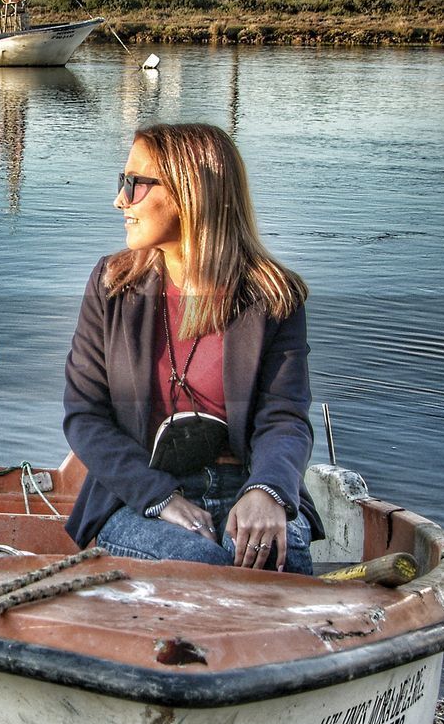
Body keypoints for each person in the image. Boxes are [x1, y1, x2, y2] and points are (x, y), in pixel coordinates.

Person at [62, 123, 323, 574]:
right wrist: (159, 497)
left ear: (189, 193)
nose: (120, 200)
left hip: (248, 485)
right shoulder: (112, 285)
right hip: (138, 493)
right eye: (121, 183)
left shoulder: (274, 297)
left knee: (278, 563)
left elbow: (285, 418)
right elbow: (85, 416)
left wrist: (267, 491)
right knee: (199, 564)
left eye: (134, 184)